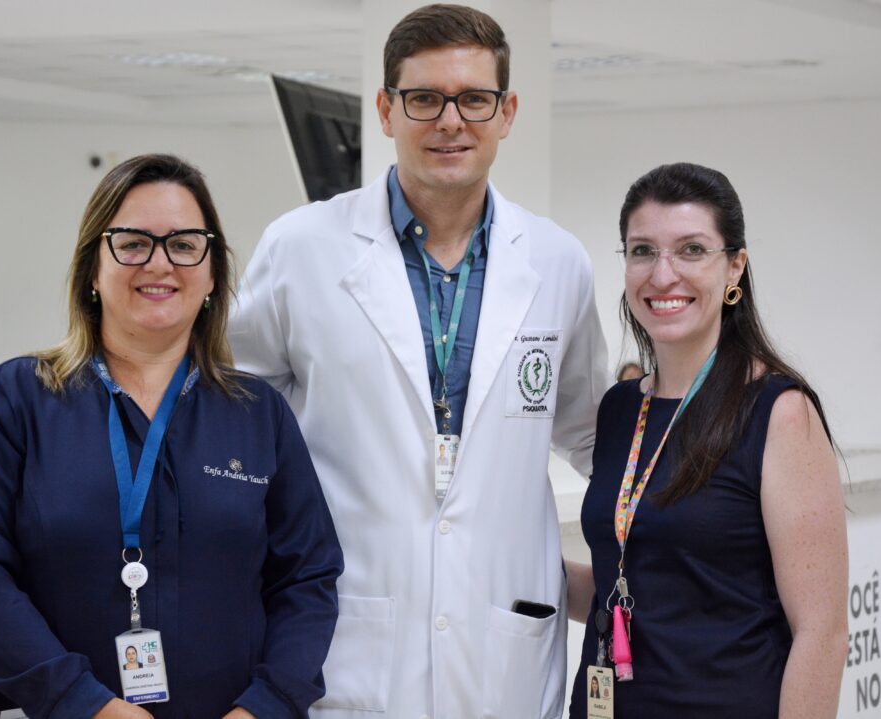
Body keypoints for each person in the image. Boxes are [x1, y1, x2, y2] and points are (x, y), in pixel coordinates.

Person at [229, 5, 608, 718]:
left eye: (474, 99)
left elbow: (591, 433)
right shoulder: (301, 248)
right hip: (350, 631)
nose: (450, 121)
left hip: (504, 642)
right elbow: (231, 425)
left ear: (507, 112)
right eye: (425, 98)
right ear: (386, 110)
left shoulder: (557, 261)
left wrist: (683, 534)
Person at [0, 154, 343, 719]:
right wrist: (82, 703)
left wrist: (266, 706)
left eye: (184, 244)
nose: (159, 263)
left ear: (212, 275)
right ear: (91, 269)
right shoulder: (16, 399)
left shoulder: (257, 414)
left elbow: (307, 579)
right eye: (132, 243)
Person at [567, 163, 848, 718]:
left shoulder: (778, 412)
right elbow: (635, 587)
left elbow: (822, 634)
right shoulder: (621, 409)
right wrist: (503, 563)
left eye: (691, 250)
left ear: (734, 266)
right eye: (643, 251)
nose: (662, 274)